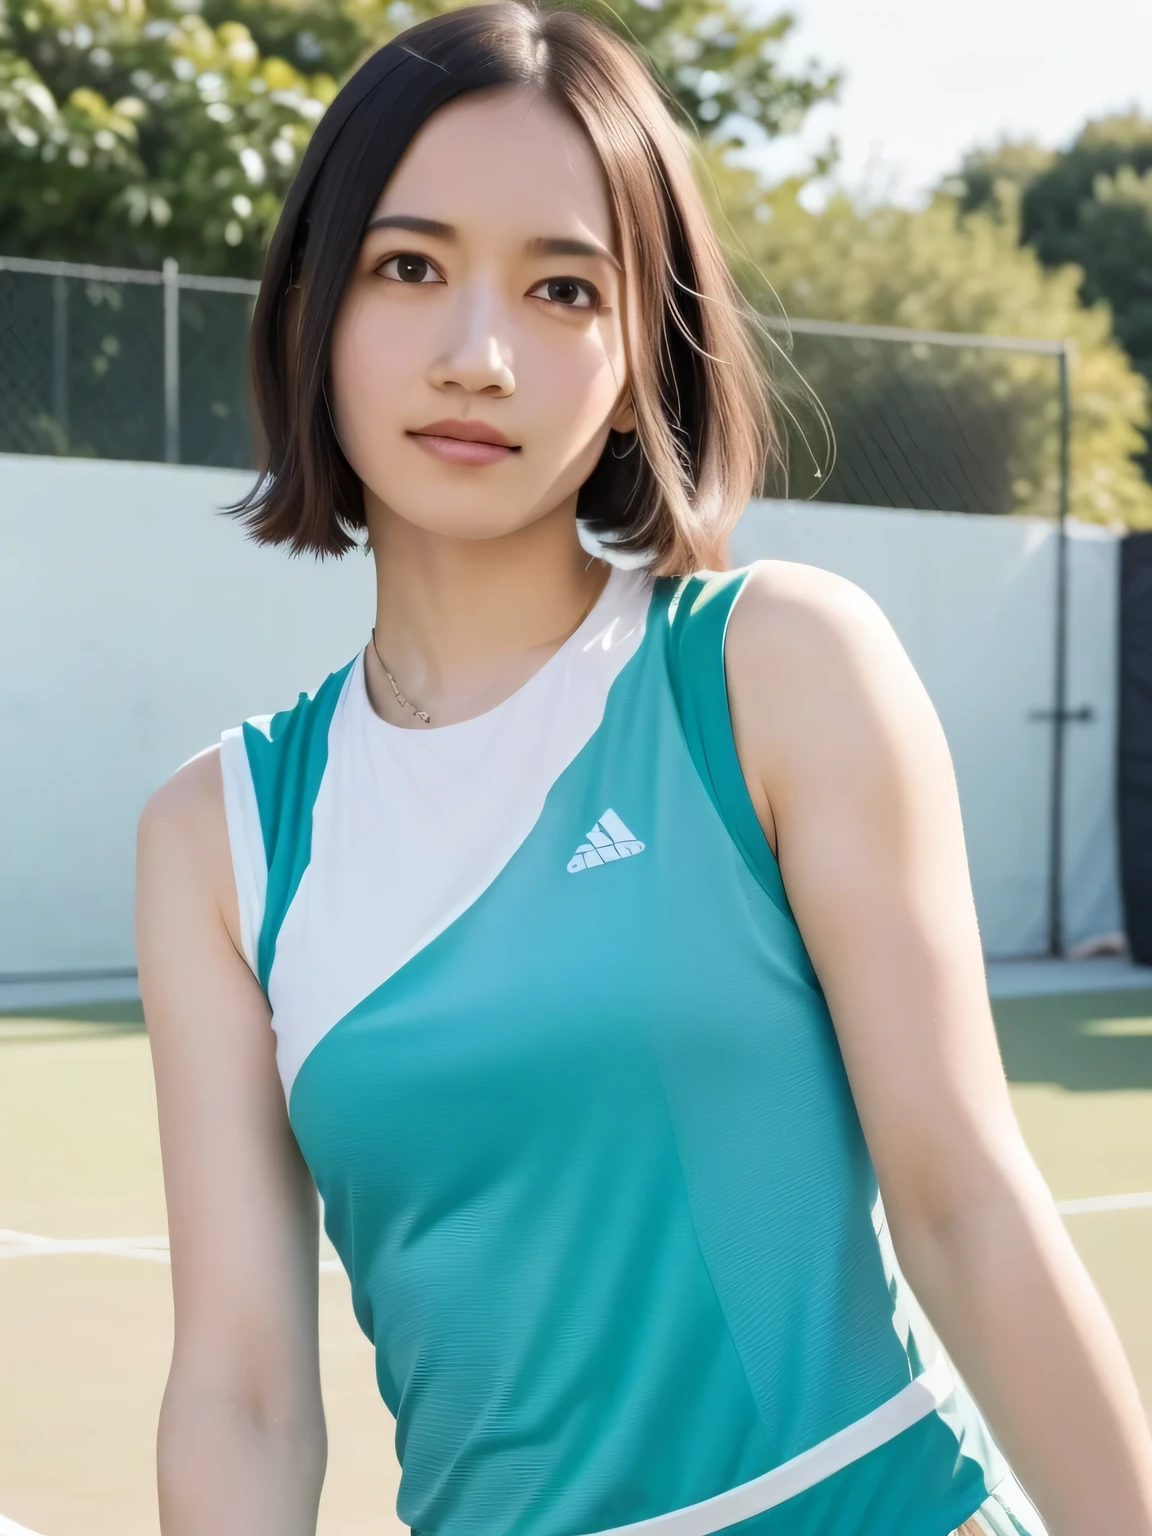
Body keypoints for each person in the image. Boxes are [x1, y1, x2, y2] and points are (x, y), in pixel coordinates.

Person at [134, 4, 1152, 1534]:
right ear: (313, 312)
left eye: (561, 290)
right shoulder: (218, 839)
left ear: (636, 362)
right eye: (408, 267)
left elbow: (968, 1209)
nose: (478, 355)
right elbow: (244, 1393)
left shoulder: (773, 669)